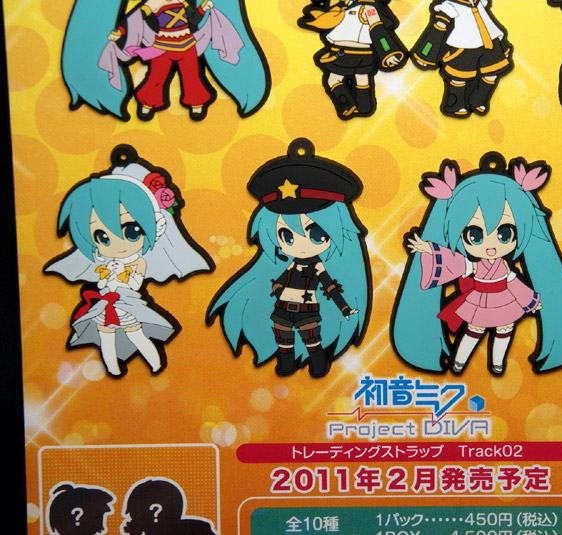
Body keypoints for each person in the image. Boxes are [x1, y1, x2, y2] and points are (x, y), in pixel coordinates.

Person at [392, 152, 562, 374]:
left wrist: (531, 301)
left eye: (504, 234)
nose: (491, 246)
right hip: (480, 302)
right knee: (474, 332)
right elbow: (454, 262)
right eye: (475, 235)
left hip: (505, 301)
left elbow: (515, 283)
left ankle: (497, 363)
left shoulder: (505, 268)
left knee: (504, 331)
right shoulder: (475, 265)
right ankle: (459, 361)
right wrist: (427, 248)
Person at [209, 138, 370, 377]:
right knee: (283, 339)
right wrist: (276, 287)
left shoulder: (317, 266)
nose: (301, 245)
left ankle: (317, 365)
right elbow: (282, 279)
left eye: (316, 234)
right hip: (282, 309)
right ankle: (285, 364)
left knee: (311, 340)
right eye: (286, 236)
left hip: (307, 310)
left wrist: (344, 308)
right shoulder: (290, 264)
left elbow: (329, 286)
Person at [45, 145, 211, 376]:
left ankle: (155, 364)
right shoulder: (104, 261)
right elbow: (103, 281)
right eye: (102, 236)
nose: (117, 243)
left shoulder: (138, 262)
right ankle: (113, 368)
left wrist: (118, 278)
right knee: (105, 336)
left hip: (127, 304)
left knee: (136, 334)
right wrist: (107, 277)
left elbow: (134, 283)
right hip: (105, 304)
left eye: (131, 231)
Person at [62, 0, 269, 120]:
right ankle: (147, 103)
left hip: (187, 45)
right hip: (161, 47)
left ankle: (196, 103)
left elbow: (194, 20)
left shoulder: (184, 1)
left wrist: (203, 9)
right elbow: (134, 19)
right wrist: (120, 32)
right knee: (156, 77)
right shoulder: (152, 3)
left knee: (191, 76)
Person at [298, 0, 407, 118]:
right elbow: (378, 31)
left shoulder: (368, 9)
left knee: (333, 80)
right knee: (362, 79)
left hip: (347, 53)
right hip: (362, 55)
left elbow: (379, 31)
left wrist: (388, 52)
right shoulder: (347, 7)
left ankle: (348, 104)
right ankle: (364, 106)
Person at [411, 0, 513, 117]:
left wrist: (502, 46)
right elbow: (436, 32)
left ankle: (478, 100)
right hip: (463, 46)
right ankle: (455, 105)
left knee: (492, 73)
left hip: (490, 44)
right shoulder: (449, 6)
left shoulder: (479, 2)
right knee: (459, 77)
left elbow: (489, 23)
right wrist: (425, 54)